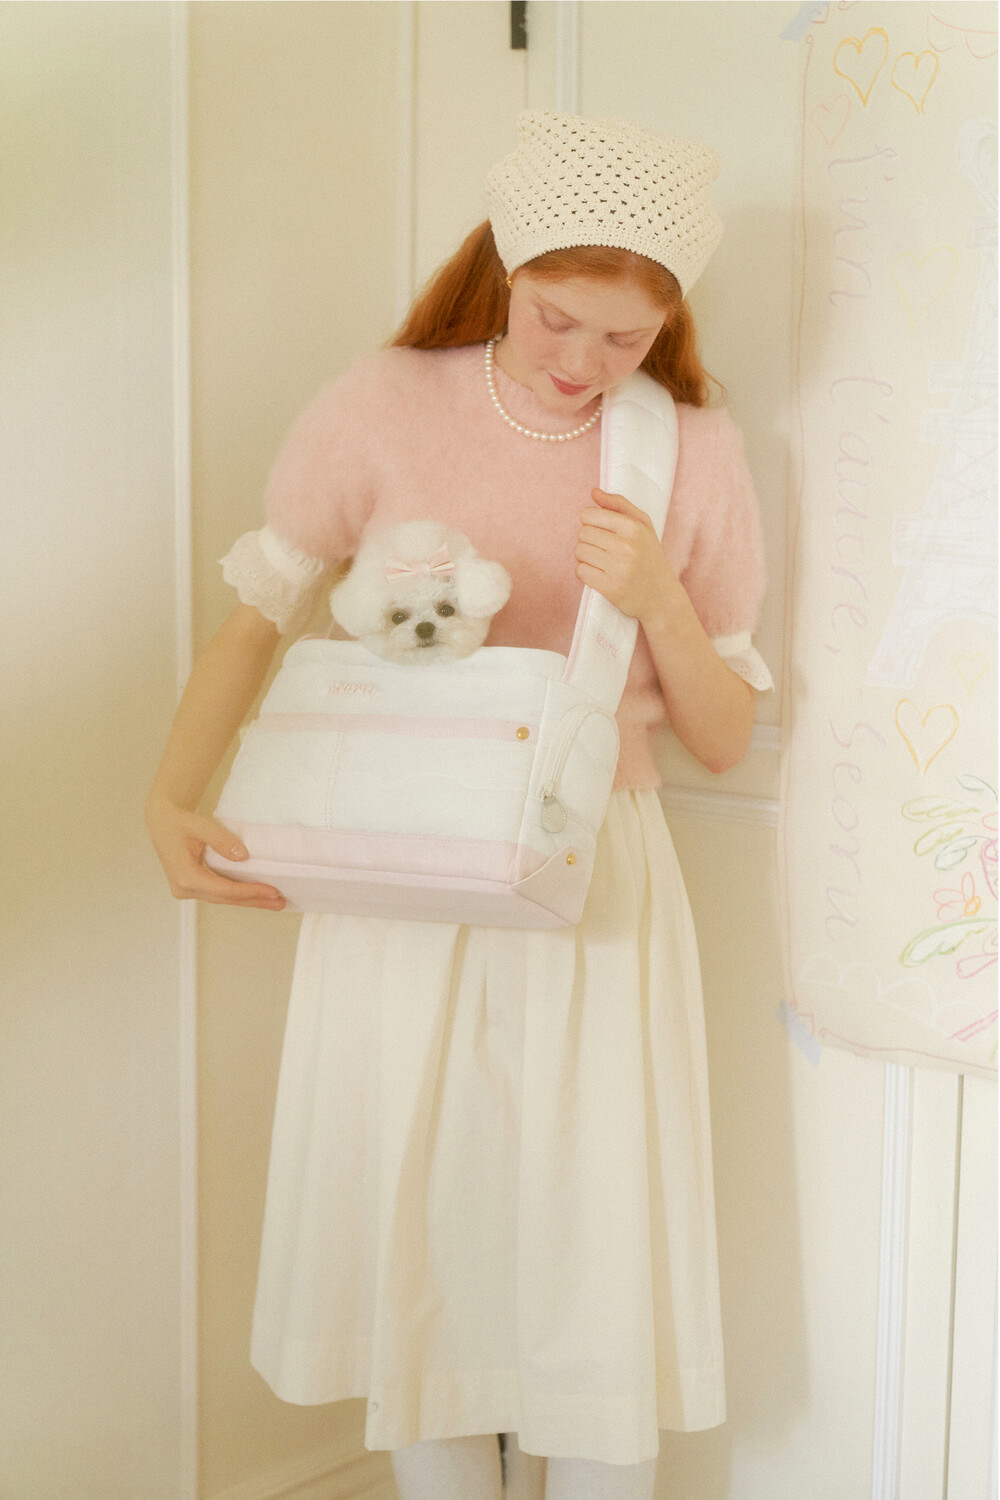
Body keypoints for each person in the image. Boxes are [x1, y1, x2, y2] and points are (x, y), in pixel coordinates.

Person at [145, 110, 774, 1500]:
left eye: (625, 337)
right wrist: (169, 795)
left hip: (592, 880)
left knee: (592, 1238)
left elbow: (726, 735)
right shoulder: (383, 403)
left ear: (669, 320)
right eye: (556, 318)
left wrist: (658, 598)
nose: (582, 363)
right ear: (505, 265)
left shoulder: (691, 450)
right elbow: (257, 614)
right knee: (409, 1226)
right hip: (400, 867)